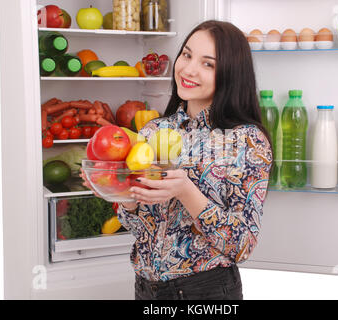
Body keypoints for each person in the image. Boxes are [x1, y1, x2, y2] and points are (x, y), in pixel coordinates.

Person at [82, 20, 272, 300]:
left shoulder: (246, 141)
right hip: (146, 288)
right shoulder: (153, 130)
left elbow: (241, 245)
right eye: (186, 54)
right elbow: (140, 228)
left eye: (208, 64)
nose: (189, 69)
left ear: (231, 73)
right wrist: (122, 193)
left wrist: (185, 191)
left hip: (206, 291)